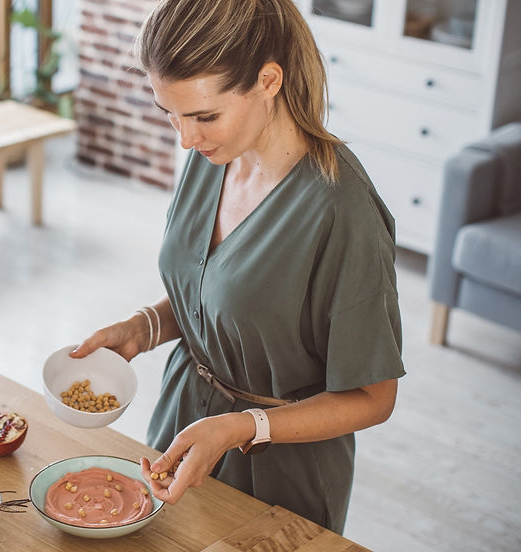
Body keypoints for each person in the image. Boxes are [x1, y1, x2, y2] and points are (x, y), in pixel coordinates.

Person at [69, 0, 405, 534]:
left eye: (203, 116)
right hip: (184, 422)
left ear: (268, 80)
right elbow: (227, 292)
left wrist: (240, 427)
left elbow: (373, 397)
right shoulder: (214, 156)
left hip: (283, 467)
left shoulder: (342, 211)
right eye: (170, 114)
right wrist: (146, 326)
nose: (186, 138)